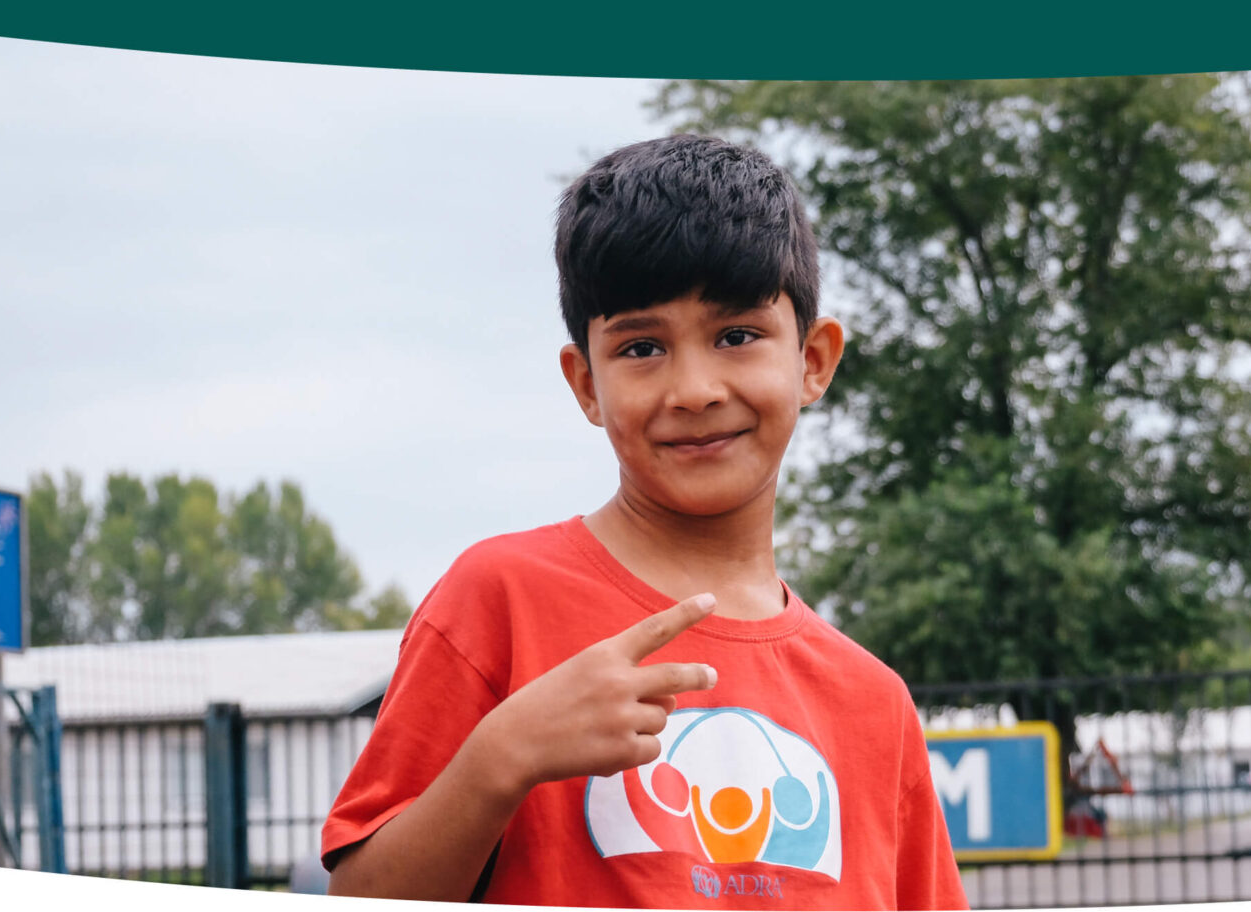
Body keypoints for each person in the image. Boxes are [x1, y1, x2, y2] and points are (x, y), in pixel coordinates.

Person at [318, 134, 967, 909]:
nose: (693, 388)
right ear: (585, 384)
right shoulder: (499, 600)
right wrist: (503, 756)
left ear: (815, 361)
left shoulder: (875, 703)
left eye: (736, 335)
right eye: (642, 346)